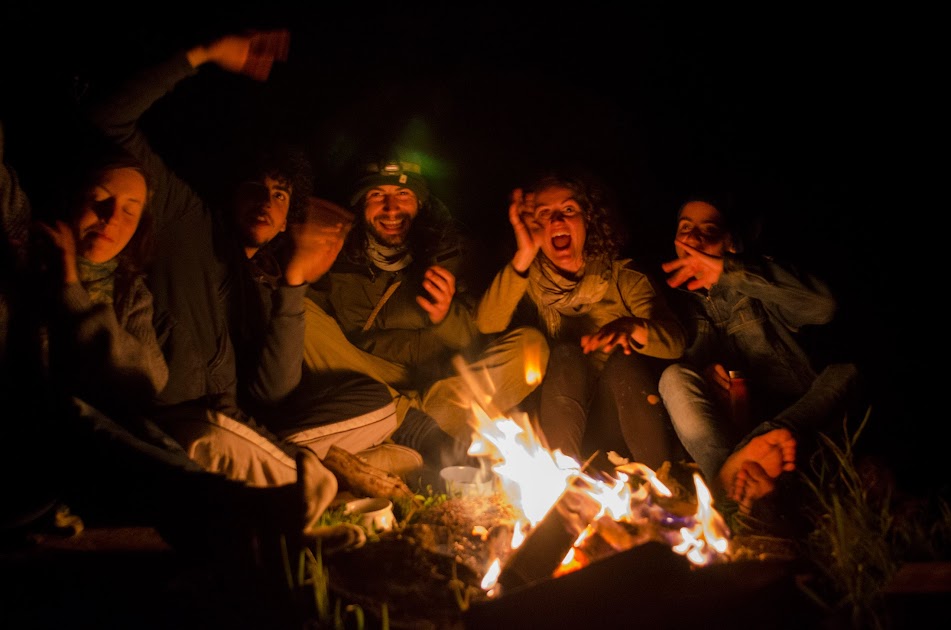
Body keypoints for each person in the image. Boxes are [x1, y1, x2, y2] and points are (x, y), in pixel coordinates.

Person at [81, 29, 394, 499]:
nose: (265, 202)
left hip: (237, 425)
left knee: (378, 402)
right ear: (231, 193)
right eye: (254, 188)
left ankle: (275, 463)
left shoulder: (265, 286)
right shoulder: (185, 220)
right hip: (182, 420)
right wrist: (202, 53)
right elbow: (107, 120)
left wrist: (294, 284)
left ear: (289, 218)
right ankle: (292, 475)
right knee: (216, 430)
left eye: (280, 195)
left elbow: (273, 393)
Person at [0, 125, 328, 559]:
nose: (111, 218)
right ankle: (252, 514)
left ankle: (258, 526)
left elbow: (144, 382)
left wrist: (294, 283)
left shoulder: (130, 292)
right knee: (69, 411)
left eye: (130, 210)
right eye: (100, 199)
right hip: (19, 459)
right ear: (72, 197)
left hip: (90, 473)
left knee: (137, 431)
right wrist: (67, 289)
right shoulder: (19, 247)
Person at [302, 156, 548, 459]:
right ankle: (412, 426)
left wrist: (446, 316)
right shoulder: (337, 256)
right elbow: (317, 338)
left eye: (403, 194)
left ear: (420, 203)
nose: (391, 208)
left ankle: (402, 427)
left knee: (531, 348)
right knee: (299, 316)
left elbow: (481, 333)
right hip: (373, 381)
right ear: (360, 204)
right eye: (377, 195)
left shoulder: (454, 252)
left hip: (445, 386)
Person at [657, 196, 863, 515]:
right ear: (675, 240)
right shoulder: (675, 301)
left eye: (708, 230)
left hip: (795, 420)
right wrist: (704, 371)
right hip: (728, 427)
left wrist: (730, 272)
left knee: (844, 373)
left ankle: (727, 485)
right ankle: (732, 474)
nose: (693, 237)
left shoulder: (758, 281)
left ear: (731, 242)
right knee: (672, 378)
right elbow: (682, 375)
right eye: (685, 228)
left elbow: (824, 307)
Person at [474, 167, 687, 472]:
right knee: (565, 356)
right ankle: (562, 482)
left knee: (623, 361)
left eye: (568, 210)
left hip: (621, 419)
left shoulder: (624, 277)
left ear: (588, 219)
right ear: (535, 225)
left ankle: (661, 481)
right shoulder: (527, 282)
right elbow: (487, 323)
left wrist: (633, 328)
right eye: (545, 213)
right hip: (558, 419)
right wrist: (524, 254)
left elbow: (676, 342)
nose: (557, 220)